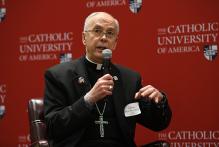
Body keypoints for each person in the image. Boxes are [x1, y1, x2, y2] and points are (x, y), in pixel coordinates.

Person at [44, 12, 172, 147]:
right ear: (84, 38)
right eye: (97, 31)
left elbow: (158, 125)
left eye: (110, 33)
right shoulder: (59, 75)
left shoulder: (129, 79)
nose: (104, 38)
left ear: (115, 42)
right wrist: (88, 99)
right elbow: (52, 127)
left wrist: (159, 102)